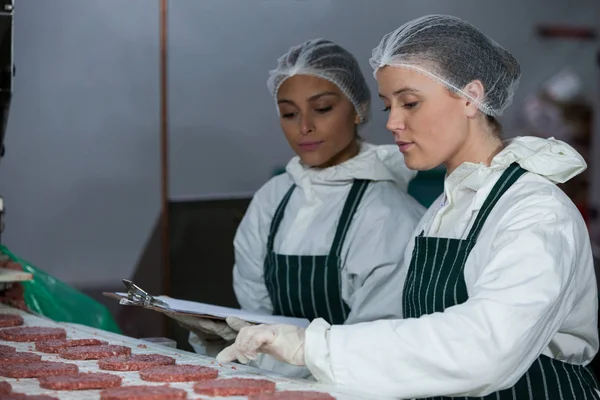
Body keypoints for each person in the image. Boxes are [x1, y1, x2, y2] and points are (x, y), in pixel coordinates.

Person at [216, 15, 600, 398]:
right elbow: (412, 340)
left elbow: (485, 348)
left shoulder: (535, 212)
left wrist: (312, 347)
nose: (393, 123)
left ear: (471, 96)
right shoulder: (441, 212)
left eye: (410, 103)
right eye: (388, 107)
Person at [183, 38, 425, 378]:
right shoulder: (273, 199)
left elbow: (377, 346)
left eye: (322, 108)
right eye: (289, 113)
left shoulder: (387, 214)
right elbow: (257, 312)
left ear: (359, 108)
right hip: (271, 383)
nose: (304, 127)